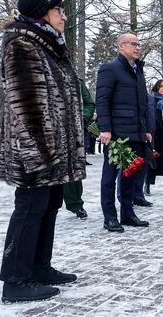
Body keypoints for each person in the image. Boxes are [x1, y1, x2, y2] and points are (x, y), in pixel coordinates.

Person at [0, 0, 85, 302]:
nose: (64, 16)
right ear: (41, 13)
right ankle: (16, 280)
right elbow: (27, 104)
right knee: (30, 208)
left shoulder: (48, 45)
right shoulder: (21, 44)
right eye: (58, 10)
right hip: (35, 148)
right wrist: (41, 152)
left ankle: (39, 267)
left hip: (54, 149)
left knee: (48, 206)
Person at [96, 33, 152, 232]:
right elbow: (102, 101)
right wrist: (105, 129)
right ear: (121, 46)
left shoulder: (138, 71)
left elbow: (143, 104)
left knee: (130, 175)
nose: (137, 47)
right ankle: (109, 217)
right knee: (110, 177)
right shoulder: (109, 69)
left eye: (139, 44)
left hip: (136, 133)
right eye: (133, 44)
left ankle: (127, 214)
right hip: (117, 135)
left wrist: (146, 129)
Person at [63, 79, 95, 220]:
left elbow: (89, 103)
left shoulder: (76, 81)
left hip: (72, 131)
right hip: (47, 131)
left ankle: (76, 205)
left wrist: (82, 118)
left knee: (72, 169)